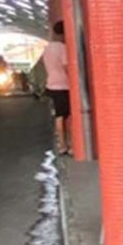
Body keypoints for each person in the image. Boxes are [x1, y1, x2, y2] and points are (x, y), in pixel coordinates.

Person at [40, 21, 72, 157]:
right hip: (63, 85)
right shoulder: (62, 48)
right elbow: (66, 67)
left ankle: (62, 145)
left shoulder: (47, 48)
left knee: (59, 116)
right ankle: (65, 146)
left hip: (51, 85)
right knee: (64, 116)